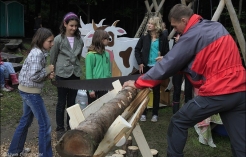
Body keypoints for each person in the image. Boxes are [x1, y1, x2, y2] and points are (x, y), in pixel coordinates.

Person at [123, 4, 246, 157]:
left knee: (178, 122)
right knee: (241, 143)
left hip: (220, 91)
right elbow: (201, 63)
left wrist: (138, 83)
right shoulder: (216, 27)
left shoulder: (193, 33)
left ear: (183, 20)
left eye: (175, 26)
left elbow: (168, 65)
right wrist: (175, 62)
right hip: (240, 91)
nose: (176, 30)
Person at [8, 27, 55, 157]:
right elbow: (34, 76)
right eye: (50, 41)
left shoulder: (37, 51)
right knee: (45, 124)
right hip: (31, 93)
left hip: (26, 90)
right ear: (41, 40)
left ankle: (14, 151)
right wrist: (47, 70)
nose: (52, 44)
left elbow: (33, 75)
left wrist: (46, 75)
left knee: (26, 121)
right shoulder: (37, 54)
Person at [50, 12, 84, 140]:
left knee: (72, 102)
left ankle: (70, 125)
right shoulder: (58, 39)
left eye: (76, 26)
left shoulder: (79, 40)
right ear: (65, 24)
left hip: (75, 74)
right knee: (61, 102)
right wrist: (51, 71)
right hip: (62, 74)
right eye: (71, 25)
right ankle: (60, 128)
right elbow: (53, 56)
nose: (74, 28)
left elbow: (78, 56)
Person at [135, 16, 169, 122]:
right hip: (146, 67)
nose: (148, 25)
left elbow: (167, 53)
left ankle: (155, 113)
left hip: (157, 68)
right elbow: (137, 49)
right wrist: (140, 62)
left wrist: (162, 58)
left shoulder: (163, 37)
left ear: (156, 25)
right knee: (144, 90)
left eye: (151, 23)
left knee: (156, 91)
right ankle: (143, 113)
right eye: (148, 23)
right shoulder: (144, 36)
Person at [86, 30, 111, 104]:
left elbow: (109, 71)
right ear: (100, 39)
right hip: (94, 86)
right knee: (92, 109)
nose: (108, 41)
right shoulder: (90, 55)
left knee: (103, 107)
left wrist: (110, 84)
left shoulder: (107, 54)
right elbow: (88, 74)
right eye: (106, 38)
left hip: (104, 86)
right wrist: (90, 90)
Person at [171, 33, 193, 114]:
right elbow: (174, 52)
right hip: (178, 66)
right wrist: (177, 43)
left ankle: (188, 113)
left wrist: (182, 41)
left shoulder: (192, 34)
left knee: (188, 89)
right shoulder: (178, 35)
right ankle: (175, 113)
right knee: (176, 88)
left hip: (188, 67)